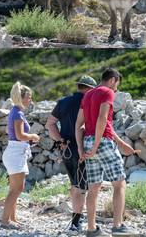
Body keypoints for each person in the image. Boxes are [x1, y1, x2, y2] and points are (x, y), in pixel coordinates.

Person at [76, 69, 140, 237]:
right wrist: (97, 145)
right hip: (101, 142)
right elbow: (102, 119)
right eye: (117, 84)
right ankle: (117, 226)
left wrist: (82, 149)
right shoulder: (107, 92)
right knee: (119, 184)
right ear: (112, 80)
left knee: (94, 187)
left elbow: (79, 125)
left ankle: (91, 229)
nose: (117, 88)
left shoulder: (88, 95)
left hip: (88, 141)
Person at [46, 75, 97, 231]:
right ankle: (76, 222)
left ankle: (77, 220)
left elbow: (50, 124)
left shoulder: (63, 102)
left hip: (66, 149)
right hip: (84, 149)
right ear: (88, 89)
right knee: (81, 187)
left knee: (75, 184)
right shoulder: (89, 102)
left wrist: (60, 140)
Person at [1, 82, 40, 228]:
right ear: (21, 98)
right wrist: (33, 136)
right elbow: (20, 135)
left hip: (15, 152)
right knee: (17, 189)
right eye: (29, 97)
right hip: (16, 154)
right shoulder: (17, 112)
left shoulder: (15, 112)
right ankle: (5, 221)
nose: (30, 100)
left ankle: (12, 219)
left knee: (14, 189)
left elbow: (8, 131)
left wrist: (25, 139)